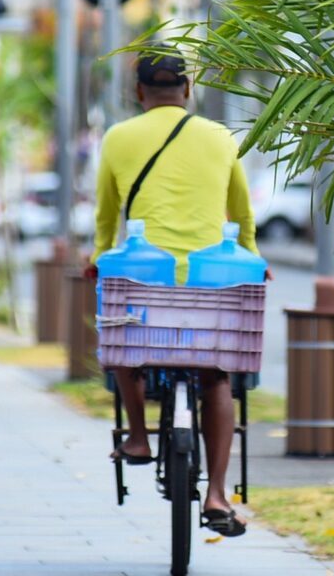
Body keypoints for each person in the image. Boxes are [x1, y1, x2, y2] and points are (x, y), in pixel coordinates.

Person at [88, 48, 262, 537]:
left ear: (139, 91)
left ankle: (140, 438)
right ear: (188, 90)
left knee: (120, 332)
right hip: (212, 278)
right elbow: (242, 213)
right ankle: (218, 494)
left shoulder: (118, 138)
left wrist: (100, 256)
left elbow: (106, 216)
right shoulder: (220, 136)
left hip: (146, 273)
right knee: (216, 374)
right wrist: (250, 257)